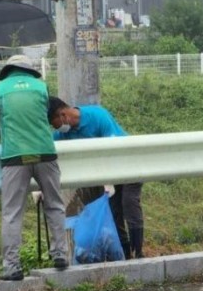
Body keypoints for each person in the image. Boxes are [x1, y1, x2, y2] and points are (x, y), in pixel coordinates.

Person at [0, 55, 69, 280]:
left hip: (15, 157)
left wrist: (2, 134)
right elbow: (47, 115)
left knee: (12, 213)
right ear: (30, 70)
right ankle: (60, 255)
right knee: (55, 205)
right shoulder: (42, 87)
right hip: (45, 153)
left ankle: (12, 267)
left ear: (8, 70)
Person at [47, 96, 145, 259]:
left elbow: (113, 146)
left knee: (129, 203)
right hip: (108, 172)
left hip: (128, 162)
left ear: (62, 115)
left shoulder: (98, 116)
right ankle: (126, 253)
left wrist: (108, 178)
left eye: (53, 123)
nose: (54, 128)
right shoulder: (63, 134)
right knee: (114, 211)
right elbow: (49, 150)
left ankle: (138, 251)